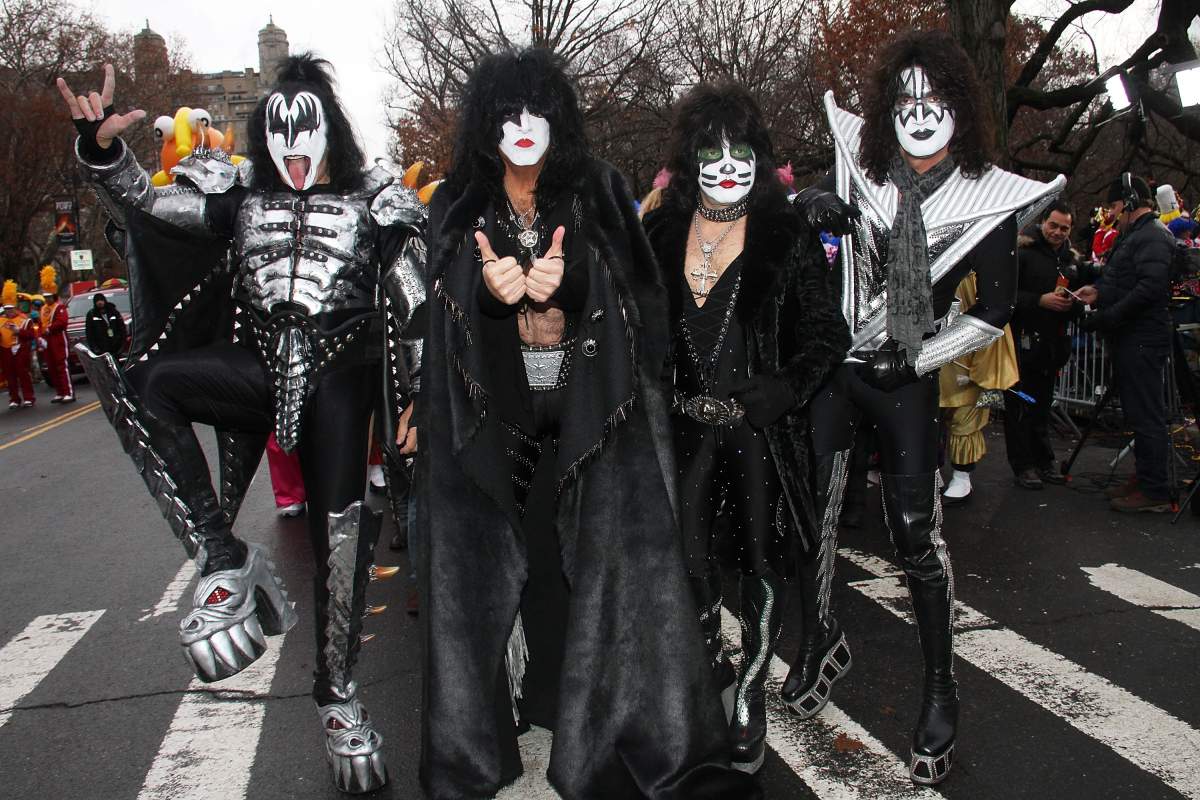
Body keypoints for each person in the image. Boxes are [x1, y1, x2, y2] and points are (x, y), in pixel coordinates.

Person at [59, 54, 426, 793]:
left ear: (330, 130)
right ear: (265, 134)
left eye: (307, 127)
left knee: (342, 542)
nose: (294, 146)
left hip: (341, 383)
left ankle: (336, 692)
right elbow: (150, 204)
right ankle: (225, 555)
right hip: (257, 369)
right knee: (150, 384)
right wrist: (102, 148)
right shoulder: (240, 199)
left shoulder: (375, 199)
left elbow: (413, 299)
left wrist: (417, 397)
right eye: (280, 130)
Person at [417, 48, 759, 799]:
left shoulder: (598, 189)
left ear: (558, 118)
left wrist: (574, 284)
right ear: (487, 123)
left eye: (537, 111)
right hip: (496, 415)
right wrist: (480, 291)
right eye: (508, 114)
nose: (523, 128)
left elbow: (643, 300)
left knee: (602, 564)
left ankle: (609, 722)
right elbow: (434, 302)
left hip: (589, 410)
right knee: (517, 553)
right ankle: (524, 710)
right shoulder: (459, 201)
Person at [787, 30, 1064, 785]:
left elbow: (995, 311)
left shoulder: (985, 199)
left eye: (933, 101)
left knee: (915, 532)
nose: (917, 114)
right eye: (904, 101)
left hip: (905, 378)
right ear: (886, 109)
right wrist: (804, 206)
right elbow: (815, 256)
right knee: (814, 510)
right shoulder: (857, 168)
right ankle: (820, 635)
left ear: (958, 111)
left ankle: (941, 687)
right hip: (838, 369)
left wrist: (916, 355)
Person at [643, 82, 849, 774]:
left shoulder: (784, 234)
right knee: (686, 558)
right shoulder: (660, 234)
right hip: (685, 434)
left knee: (762, 562)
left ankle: (749, 693)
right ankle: (709, 664)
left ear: (759, 157)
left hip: (760, 435)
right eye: (712, 151)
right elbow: (635, 328)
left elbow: (828, 335)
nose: (728, 164)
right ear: (690, 156)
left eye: (742, 151)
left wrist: (783, 391)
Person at [1077, 174, 1175, 512]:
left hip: (1141, 338)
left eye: (1116, 206)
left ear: (1130, 203)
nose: (1114, 213)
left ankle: (1155, 490)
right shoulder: (1140, 236)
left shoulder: (1151, 237)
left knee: (1147, 414)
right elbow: (1127, 281)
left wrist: (1109, 315)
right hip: (1133, 336)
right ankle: (1146, 477)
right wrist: (1099, 293)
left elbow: (1149, 289)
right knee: (1138, 412)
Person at [1005, 201, 1079, 489]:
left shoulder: (1071, 261)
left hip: (1052, 348)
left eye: (1064, 228)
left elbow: (1075, 301)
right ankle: (1023, 465)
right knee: (1021, 406)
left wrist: (1072, 303)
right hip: (1022, 346)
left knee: (1041, 407)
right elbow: (1005, 297)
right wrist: (1039, 300)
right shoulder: (1022, 254)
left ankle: (1043, 461)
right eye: (1054, 226)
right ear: (1043, 223)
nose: (1058, 232)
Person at [938, 272, 1020, 504]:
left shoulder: (978, 275)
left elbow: (992, 316)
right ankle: (933, 474)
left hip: (969, 362)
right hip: (935, 361)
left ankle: (962, 477)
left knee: (966, 419)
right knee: (928, 420)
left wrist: (982, 371)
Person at [39, 266, 75, 403]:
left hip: (58, 339)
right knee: (52, 367)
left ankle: (68, 392)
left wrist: (50, 328)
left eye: (48, 297)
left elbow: (62, 322)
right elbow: (40, 324)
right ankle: (60, 392)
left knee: (61, 366)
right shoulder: (43, 309)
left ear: (53, 296)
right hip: (47, 340)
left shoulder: (59, 307)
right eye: (45, 297)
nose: (47, 299)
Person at [1, 282, 38, 409]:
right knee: (10, 376)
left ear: (15, 308)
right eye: (6, 309)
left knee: (23, 374)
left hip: (20, 349)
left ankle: (29, 398)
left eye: (10, 309)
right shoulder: (0, 320)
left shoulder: (24, 319)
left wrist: (18, 331)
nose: (8, 312)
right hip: (5, 350)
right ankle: (14, 399)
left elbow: (31, 335)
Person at [83, 292, 127, 357]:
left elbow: (122, 328)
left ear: (104, 300)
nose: (99, 302)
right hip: (101, 348)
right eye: (97, 301)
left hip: (116, 346)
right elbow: (89, 333)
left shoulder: (113, 312)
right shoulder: (91, 314)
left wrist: (122, 345)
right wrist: (95, 349)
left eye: (101, 300)